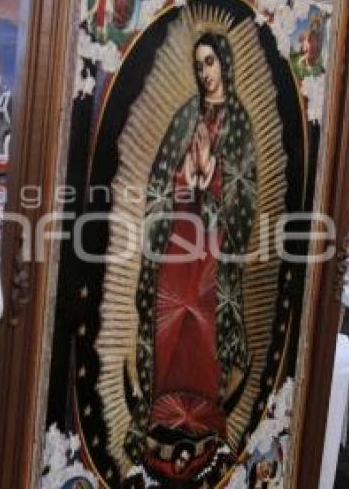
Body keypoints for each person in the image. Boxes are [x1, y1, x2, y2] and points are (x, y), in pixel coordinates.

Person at [125, 33, 255, 479]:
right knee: (170, 319)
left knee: (204, 322)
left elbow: (245, 194)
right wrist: (189, 183)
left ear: (225, 65)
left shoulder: (238, 122)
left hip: (213, 242)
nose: (204, 73)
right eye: (199, 65)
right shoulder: (186, 115)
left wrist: (211, 186)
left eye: (211, 63)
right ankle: (162, 410)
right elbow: (161, 179)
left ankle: (203, 414)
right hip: (178, 235)